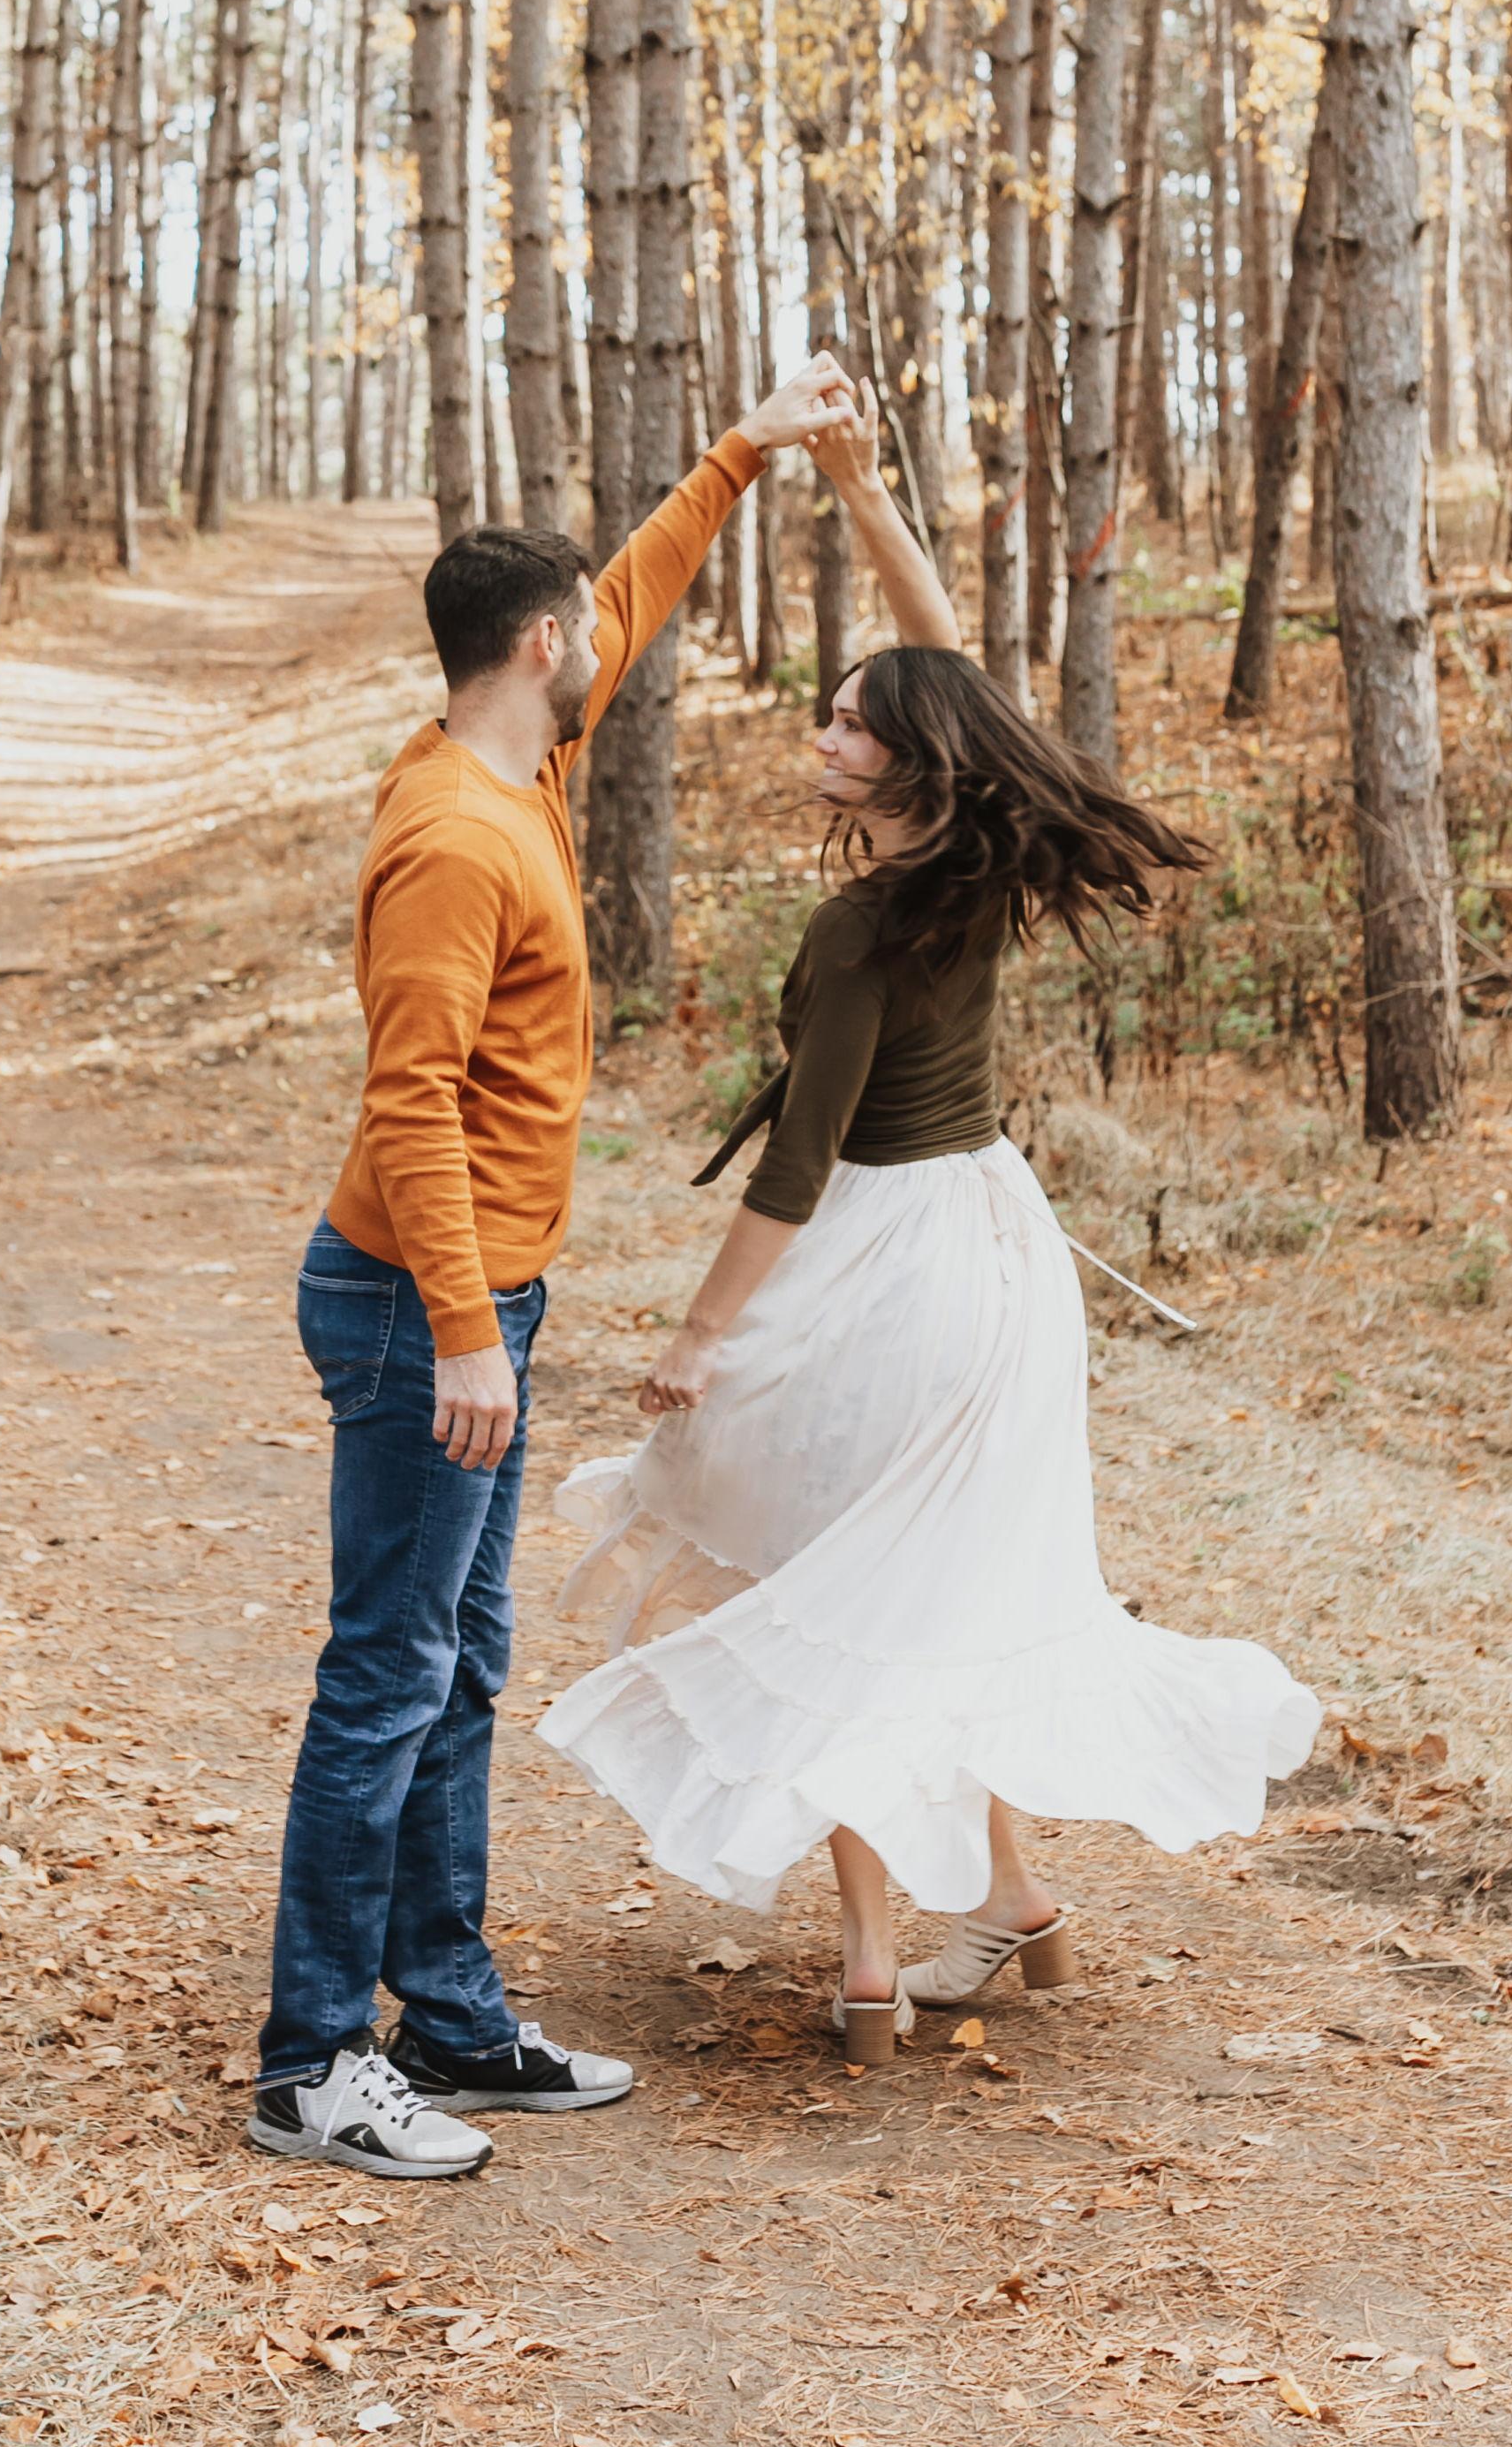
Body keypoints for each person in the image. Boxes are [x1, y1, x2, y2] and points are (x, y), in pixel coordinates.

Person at [534, 387, 1324, 2060]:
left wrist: (699, 1337)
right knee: (927, 1590)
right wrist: (859, 490)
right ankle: (1016, 1904)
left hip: (887, 1260)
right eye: (829, 715)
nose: (825, 735)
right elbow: (944, 662)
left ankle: (870, 1959)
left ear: (909, 757)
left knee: (834, 1599)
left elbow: (798, 1163)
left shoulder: (861, 928)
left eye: (849, 726)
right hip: (1000, 1253)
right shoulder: (981, 863)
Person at [246, 354, 864, 2178]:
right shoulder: (456, 840)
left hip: (478, 1302)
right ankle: (310, 2063)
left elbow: (636, 589)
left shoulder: (518, 765)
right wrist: (462, 1331)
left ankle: (447, 2016)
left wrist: (743, 451)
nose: (607, 636)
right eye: (579, 626)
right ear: (537, 648)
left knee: (457, 1664)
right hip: (415, 1308)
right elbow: (410, 1101)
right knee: (390, 1671)